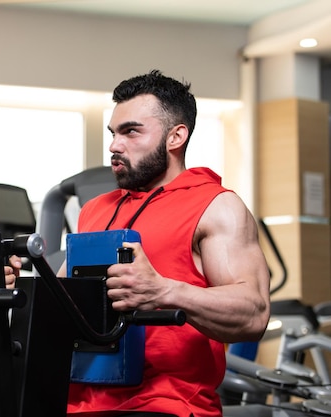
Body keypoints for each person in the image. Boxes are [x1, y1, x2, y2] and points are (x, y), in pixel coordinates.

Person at [25, 70, 270, 417]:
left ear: (176, 137)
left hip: (166, 405)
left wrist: (164, 291)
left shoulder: (216, 206)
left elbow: (254, 312)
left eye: (131, 131)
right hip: (77, 403)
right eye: (113, 133)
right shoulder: (96, 210)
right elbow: (66, 307)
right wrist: (22, 297)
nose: (114, 145)